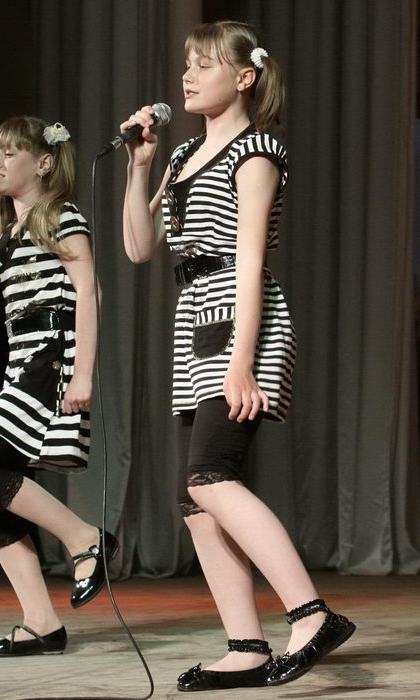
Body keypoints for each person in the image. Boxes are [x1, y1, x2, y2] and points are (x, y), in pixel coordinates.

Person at [121, 21, 355, 690]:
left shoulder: (257, 150)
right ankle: (246, 645)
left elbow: (249, 261)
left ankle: (311, 615)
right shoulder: (180, 156)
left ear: (244, 77)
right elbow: (139, 247)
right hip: (193, 315)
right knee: (193, 498)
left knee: (210, 475)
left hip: (239, 316)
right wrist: (140, 167)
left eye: (204, 64)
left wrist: (241, 361)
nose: (188, 75)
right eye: (186, 64)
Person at [0, 115, 118, 657]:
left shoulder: (60, 216)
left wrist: (83, 372)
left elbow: (89, 293)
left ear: (42, 163)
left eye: (9, 153)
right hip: (22, 364)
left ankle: (86, 539)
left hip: (49, 359)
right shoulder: (4, 234)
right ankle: (41, 623)